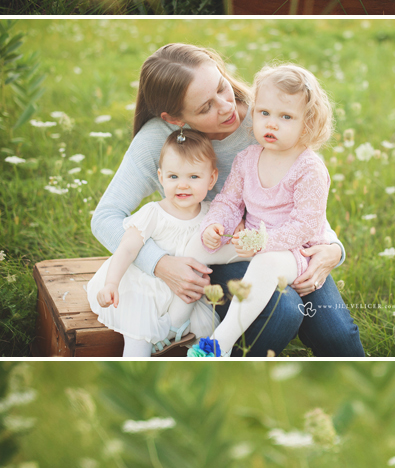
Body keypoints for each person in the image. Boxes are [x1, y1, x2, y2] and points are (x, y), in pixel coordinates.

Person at [89, 43, 363, 358]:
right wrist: (160, 264)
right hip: (227, 246)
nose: (226, 107)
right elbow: (106, 216)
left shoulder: (268, 115)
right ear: (177, 119)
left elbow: (302, 202)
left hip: (288, 246)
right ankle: (214, 357)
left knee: (337, 334)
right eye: (205, 107)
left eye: (222, 87)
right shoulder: (161, 139)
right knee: (284, 311)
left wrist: (333, 250)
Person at [187, 64, 337, 360]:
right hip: (249, 241)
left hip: (291, 253)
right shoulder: (248, 159)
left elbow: (305, 226)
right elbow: (229, 202)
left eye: (286, 117)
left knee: (267, 265)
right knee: (197, 245)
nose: (272, 124)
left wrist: (260, 242)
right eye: (264, 113)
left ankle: (219, 343)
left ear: (306, 125)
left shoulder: (309, 169)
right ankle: (173, 319)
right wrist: (215, 225)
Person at [86, 131, 220, 359]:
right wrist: (111, 283)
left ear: (212, 179)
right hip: (144, 286)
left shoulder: (211, 214)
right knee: (139, 332)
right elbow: (127, 249)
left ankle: (170, 339)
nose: (183, 186)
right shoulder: (153, 214)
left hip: (179, 292)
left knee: (208, 329)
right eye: (173, 177)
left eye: (194, 177)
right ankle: (135, 367)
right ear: (161, 177)